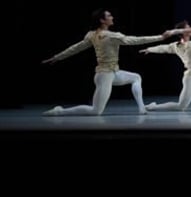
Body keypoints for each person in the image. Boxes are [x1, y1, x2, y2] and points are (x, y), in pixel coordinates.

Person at [42, 8, 182, 116]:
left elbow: (75, 48)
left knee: (136, 77)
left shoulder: (92, 34)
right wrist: (160, 37)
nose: (112, 17)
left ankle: (141, 108)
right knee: (96, 111)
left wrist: (57, 57)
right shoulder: (111, 36)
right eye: (109, 16)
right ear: (102, 20)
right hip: (105, 75)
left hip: (113, 72)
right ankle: (59, 111)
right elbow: (135, 40)